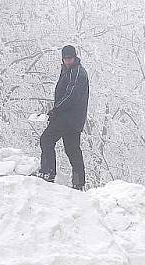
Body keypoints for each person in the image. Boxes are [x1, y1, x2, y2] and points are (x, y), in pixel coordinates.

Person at [35, 45, 89, 189]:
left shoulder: (77, 73)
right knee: (72, 150)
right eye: (65, 59)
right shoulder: (69, 70)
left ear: (75, 57)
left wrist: (56, 109)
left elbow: (71, 95)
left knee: (46, 139)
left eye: (70, 59)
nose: (67, 61)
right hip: (72, 118)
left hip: (67, 117)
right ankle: (78, 183)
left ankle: (48, 173)